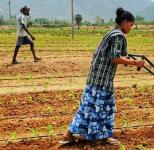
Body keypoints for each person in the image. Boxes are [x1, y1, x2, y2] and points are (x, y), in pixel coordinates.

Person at [60, 7, 145, 145]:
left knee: (88, 106)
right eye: (130, 25)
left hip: (94, 77)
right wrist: (135, 62)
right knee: (104, 107)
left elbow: (114, 55)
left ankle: (71, 134)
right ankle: (99, 137)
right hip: (103, 79)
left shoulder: (110, 33)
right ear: (124, 22)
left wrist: (129, 60)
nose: (131, 28)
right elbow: (115, 57)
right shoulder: (118, 36)